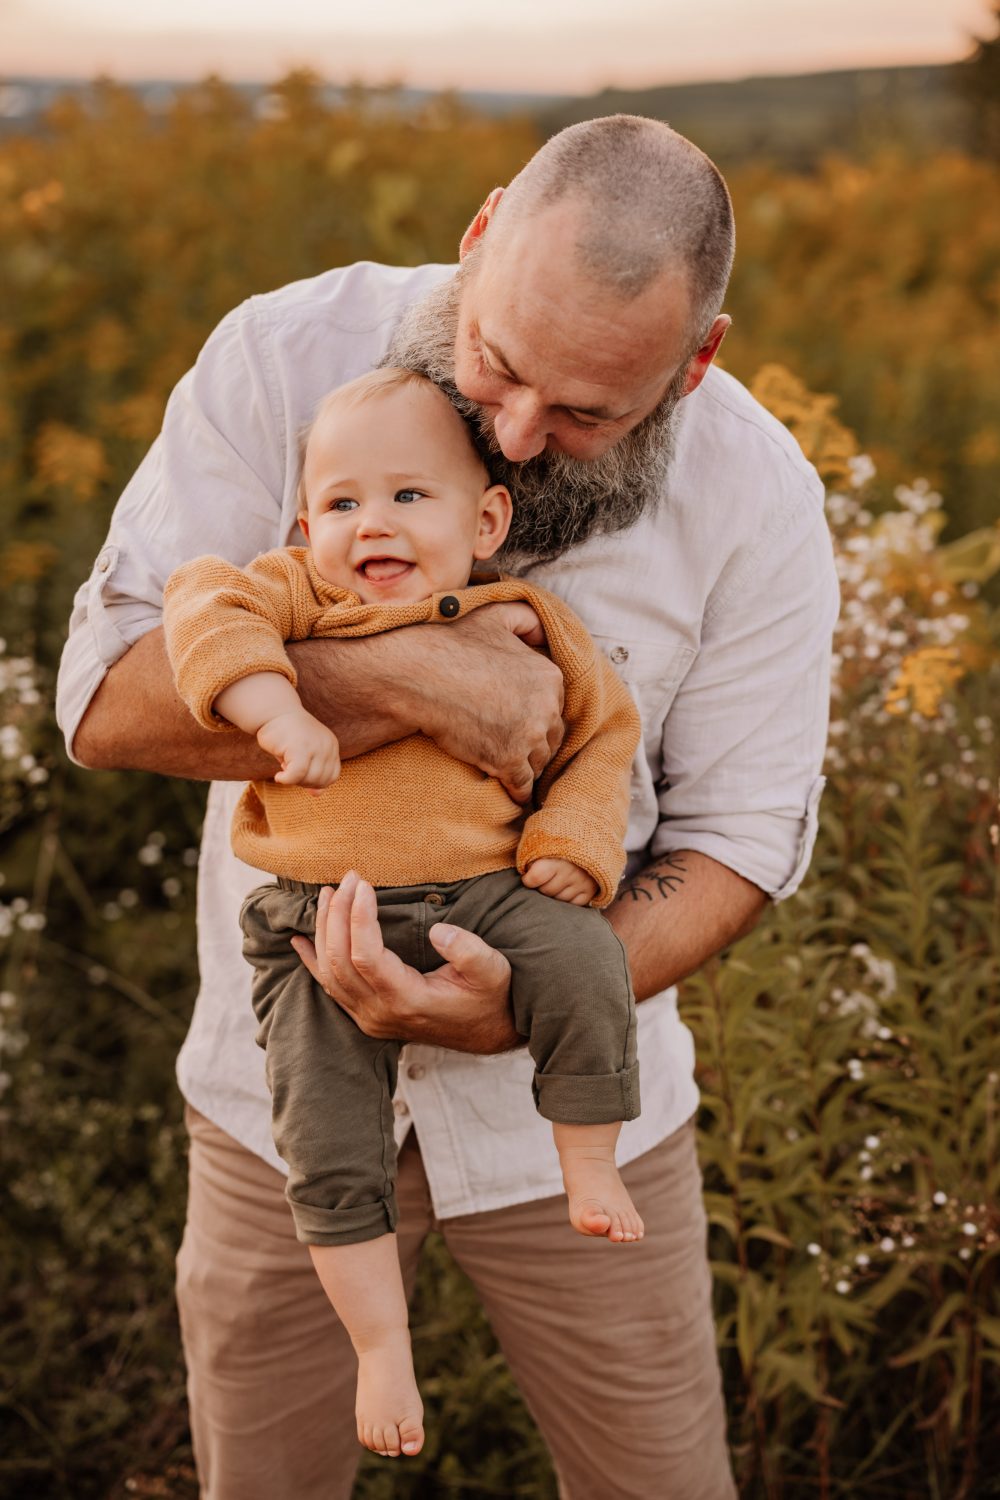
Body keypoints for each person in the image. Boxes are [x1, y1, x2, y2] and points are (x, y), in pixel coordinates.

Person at [57, 114, 839, 1499]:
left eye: (590, 410)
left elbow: (742, 837)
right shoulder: (279, 359)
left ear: (695, 359)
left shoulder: (758, 493)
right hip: (270, 1097)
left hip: (590, 1126)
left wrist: (533, 998)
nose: (516, 432)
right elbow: (108, 706)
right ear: (479, 240)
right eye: (498, 364)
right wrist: (416, 675)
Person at [160, 364, 644, 1458]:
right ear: (303, 523)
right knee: (323, 1136)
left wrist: (571, 846)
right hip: (316, 917)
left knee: (583, 959)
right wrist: (274, 707)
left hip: (488, 890)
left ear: (486, 520)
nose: (369, 522)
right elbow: (202, 601)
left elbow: (601, 734)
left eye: (406, 498)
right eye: (339, 503)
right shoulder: (299, 594)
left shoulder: (523, 615)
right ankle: (380, 1345)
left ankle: (588, 1155)